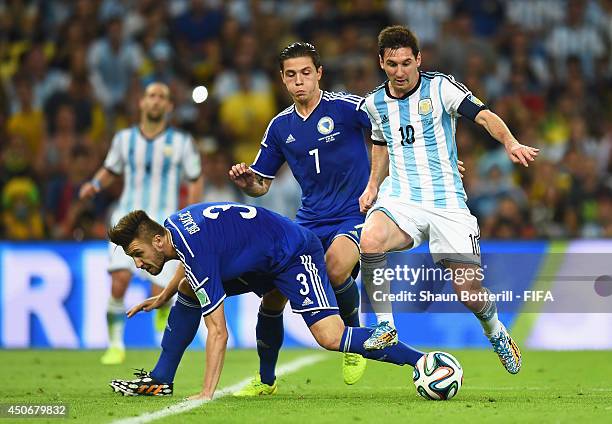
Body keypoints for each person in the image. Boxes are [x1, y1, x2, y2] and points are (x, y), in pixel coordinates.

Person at [358, 26, 539, 374]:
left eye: (406, 63)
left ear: (419, 60)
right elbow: (381, 144)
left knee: (468, 291)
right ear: (381, 62)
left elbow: (483, 114)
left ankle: (496, 331)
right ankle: (385, 325)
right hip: (402, 199)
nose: (400, 71)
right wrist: (372, 186)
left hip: (447, 204)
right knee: (371, 238)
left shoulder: (441, 87)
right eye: (392, 64)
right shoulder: (374, 103)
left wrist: (510, 142)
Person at [107, 202, 425, 399]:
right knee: (192, 289)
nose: (137, 263)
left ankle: (419, 360)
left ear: (158, 240)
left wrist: (207, 393)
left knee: (330, 336)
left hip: (294, 253)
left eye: (138, 253)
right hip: (260, 257)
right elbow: (189, 262)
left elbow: (219, 332)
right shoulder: (175, 226)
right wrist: (165, 294)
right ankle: (164, 379)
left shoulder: (193, 250)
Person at [228, 42, 376, 393]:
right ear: (282, 79)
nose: (299, 82)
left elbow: (394, 132)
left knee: (336, 267)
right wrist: (248, 182)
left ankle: (351, 334)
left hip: (354, 214)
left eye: (306, 73)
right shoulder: (280, 126)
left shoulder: (348, 108)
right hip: (309, 219)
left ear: (319, 74)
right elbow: (261, 185)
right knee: (274, 295)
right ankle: (265, 381)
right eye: (291, 75)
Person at [79, 82, 203, 365]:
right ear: (142, 103)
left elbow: (195, 178)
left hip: (162, 224)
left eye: (162, 96)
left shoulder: (181, 142)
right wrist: (95, 185)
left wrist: (191, 213)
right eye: (151, 96)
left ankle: (164, 328)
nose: (156, 101)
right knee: (119, 281)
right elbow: (111, 169)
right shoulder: (124, 139)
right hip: (127, 219)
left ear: (170, 106)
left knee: (160, 288)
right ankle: (115, 345)